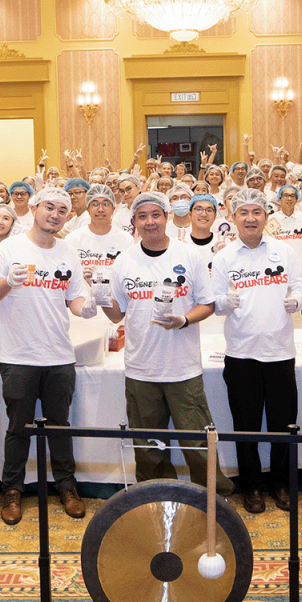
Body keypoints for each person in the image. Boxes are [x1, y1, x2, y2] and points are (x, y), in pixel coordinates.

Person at [0, 186, 98, 525]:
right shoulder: (9, 249)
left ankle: (66, 486)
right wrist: (8, 283)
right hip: (18, 355)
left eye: (62, 210)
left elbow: (74, 299)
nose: (55, 214)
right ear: (33, 208)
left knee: (60, 426)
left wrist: (86, 307)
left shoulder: (68, 251)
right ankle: (12, 490)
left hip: (59, 355)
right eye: (49, 207)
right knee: (18, 427)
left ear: (67, 215)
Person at [101, 192, 233, 493]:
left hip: (182, 368)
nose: (150, 222)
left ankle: (211, 497)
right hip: (140, 369)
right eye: (143, 216)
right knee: (147, 445)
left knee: (197, 441)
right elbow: (117, 314)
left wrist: (184, 320)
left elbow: (207, 304)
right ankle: (153, 495)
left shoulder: (189, 256)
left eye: (155, 215)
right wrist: (99, 298)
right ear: (134, 222)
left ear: (167, 217)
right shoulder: (124, 260)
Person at [210, 188, 302, 513]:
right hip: (241, 354)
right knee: (245, 425)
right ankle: (251, 486)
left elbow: (301, 286)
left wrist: (299, 299)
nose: (251, 218)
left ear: (267, 216)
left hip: (280, 352)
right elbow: (214, 302)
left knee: (283, 424)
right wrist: (225, 302)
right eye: (244, 213)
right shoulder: (224, 257)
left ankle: (281, 482)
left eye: (257, 212)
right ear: (233, 217)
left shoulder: (284, 251)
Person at [66, 184, 134, 287]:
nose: (100, 209)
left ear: (113, 209)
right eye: (95, 204)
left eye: (106, 204)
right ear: (87, 209)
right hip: (81, 301)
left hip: (115, 301)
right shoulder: (73, 239)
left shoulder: (126, 239)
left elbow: (129, 277)